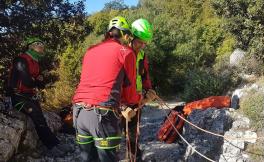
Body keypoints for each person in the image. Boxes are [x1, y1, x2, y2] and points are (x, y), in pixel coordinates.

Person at [72, 16, 152, 162]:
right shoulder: (125, 52)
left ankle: (134, 155)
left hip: (79, 111)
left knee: (87, 158)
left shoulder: (90, 50)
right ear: (126, 35)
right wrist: (139, 100)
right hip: (103, 113)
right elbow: (129, 93)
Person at [7, 37, 60, 151]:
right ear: (30, 46)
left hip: (29, 96)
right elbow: (27, 81)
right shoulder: (21, 60)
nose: (41, 45)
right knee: (38, 117)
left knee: (40, 117)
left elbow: (41, 84)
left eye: (42, 44)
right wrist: (36, 80)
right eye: (38, 43)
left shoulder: (35, 62)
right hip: (18, 97)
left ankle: (52, 143)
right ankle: (52, 145)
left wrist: (36, 80)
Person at [123, 18, 157, 162]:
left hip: (137, 99)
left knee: (132, 133)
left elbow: (144, 75)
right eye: (139, 42)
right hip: (122, 101)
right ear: (131, 38)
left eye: (144, 43)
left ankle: (133, 156)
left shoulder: (142, 55)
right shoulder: (123, 53)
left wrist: (149, 90)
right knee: (118, 132)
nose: (142, 46)